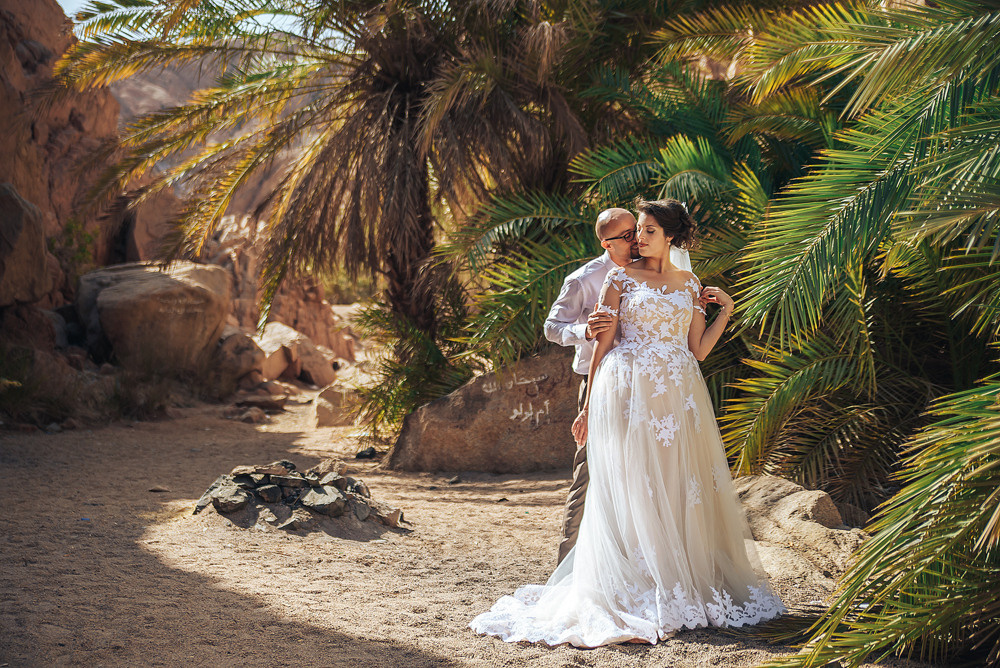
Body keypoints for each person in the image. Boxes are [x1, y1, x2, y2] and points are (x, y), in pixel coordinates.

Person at [470, 198, 784, 647]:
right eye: (636, 229)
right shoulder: (616, 278)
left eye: (648, 229)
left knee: (678, 483)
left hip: (678, 395)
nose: (639, 237)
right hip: (627, 391)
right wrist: (586, 404)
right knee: (629, 483)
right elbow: (604, 342)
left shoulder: (689, 282)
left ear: (671, 235)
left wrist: (727, 311)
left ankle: (680, 581)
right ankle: (628, 585)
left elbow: (698, 350)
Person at [543, 207, 640, 565]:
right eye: (627, 235)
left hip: (646, 383)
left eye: (637, 230)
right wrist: (584, 331)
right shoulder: (584, 279)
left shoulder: (653, 271)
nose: (636, 239)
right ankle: (567, 567)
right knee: (589, 472)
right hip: (597, 382)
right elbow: (552, 327)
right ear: (606, 242)